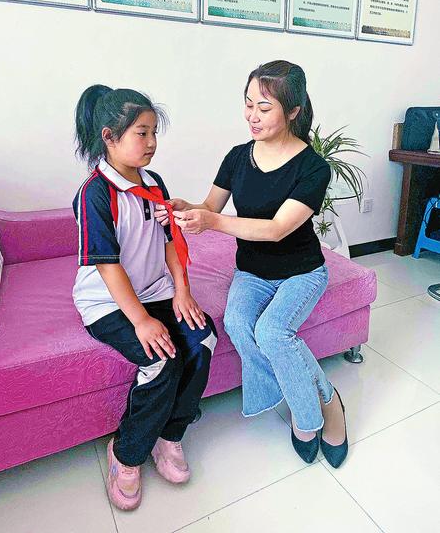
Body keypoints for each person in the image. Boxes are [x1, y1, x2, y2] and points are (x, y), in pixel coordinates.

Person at [155, 61, 348, 468]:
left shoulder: (313, 168)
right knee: (239, 324)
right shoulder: (237, 157)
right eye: (248, 104)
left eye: (264, 107)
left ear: (293, 111)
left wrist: (213, 222)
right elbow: (210, 207)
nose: (252, 116)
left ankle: (315, 413)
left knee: (273, 332)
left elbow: (277, 229)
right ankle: (314, 392)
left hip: (301, 272)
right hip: (252, 271)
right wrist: (185, 208)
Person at [72, 85, 217, 511]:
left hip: (155, 290)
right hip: (108, 302)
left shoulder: (154, 182)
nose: (152, 142)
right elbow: (108, 267)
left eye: (154, 132)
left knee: (203, 337)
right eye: (142, 133)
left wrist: (182, 291)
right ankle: (127, 453)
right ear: (109, 137)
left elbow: (170, 239)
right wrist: (141, 321)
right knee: (160, 359)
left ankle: (169, 435)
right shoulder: (95, 193)